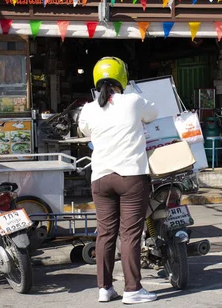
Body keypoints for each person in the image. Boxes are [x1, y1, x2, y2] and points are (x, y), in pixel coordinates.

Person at [78, 57, 158, 304]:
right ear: (122, 78)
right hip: (130, 176)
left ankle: (104, 288)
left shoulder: (89, 108)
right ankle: (133, 289)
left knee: (105, 234)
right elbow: (153, 114)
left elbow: (84, 131)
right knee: (130, 234)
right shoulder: (133, 100)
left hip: (101, 178)